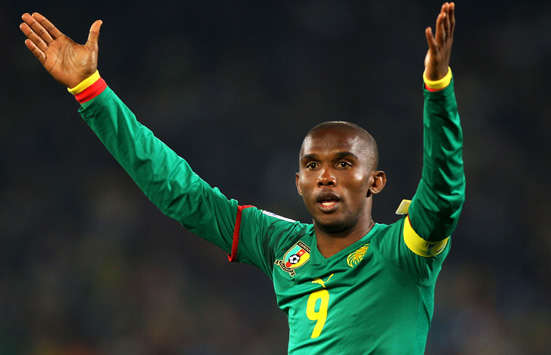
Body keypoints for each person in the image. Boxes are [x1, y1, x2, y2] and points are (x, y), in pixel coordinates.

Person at [20, 2, 464, 354]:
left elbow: (443, 193)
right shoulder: (282, 244)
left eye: (344, 164)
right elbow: (183, 194)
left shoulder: (404, 253)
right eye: (312, 166)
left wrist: (437, 88)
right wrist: (91, 92)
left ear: (376, 182)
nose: (326, 176)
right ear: (298, 183)